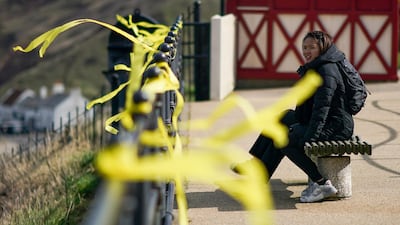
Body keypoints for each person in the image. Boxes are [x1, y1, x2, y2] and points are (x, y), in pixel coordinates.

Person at [233, 31, 354, 203]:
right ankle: (255, 166)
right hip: (325, 121)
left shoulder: (326, 71)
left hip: (335, 127)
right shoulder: (319, 65)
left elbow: (322, 109)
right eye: (304, 47)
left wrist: (309, 138)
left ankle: (321, 184)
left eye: (312, 47)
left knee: (285, 138)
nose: (307, 51)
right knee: (281, 118)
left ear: (323, 47)